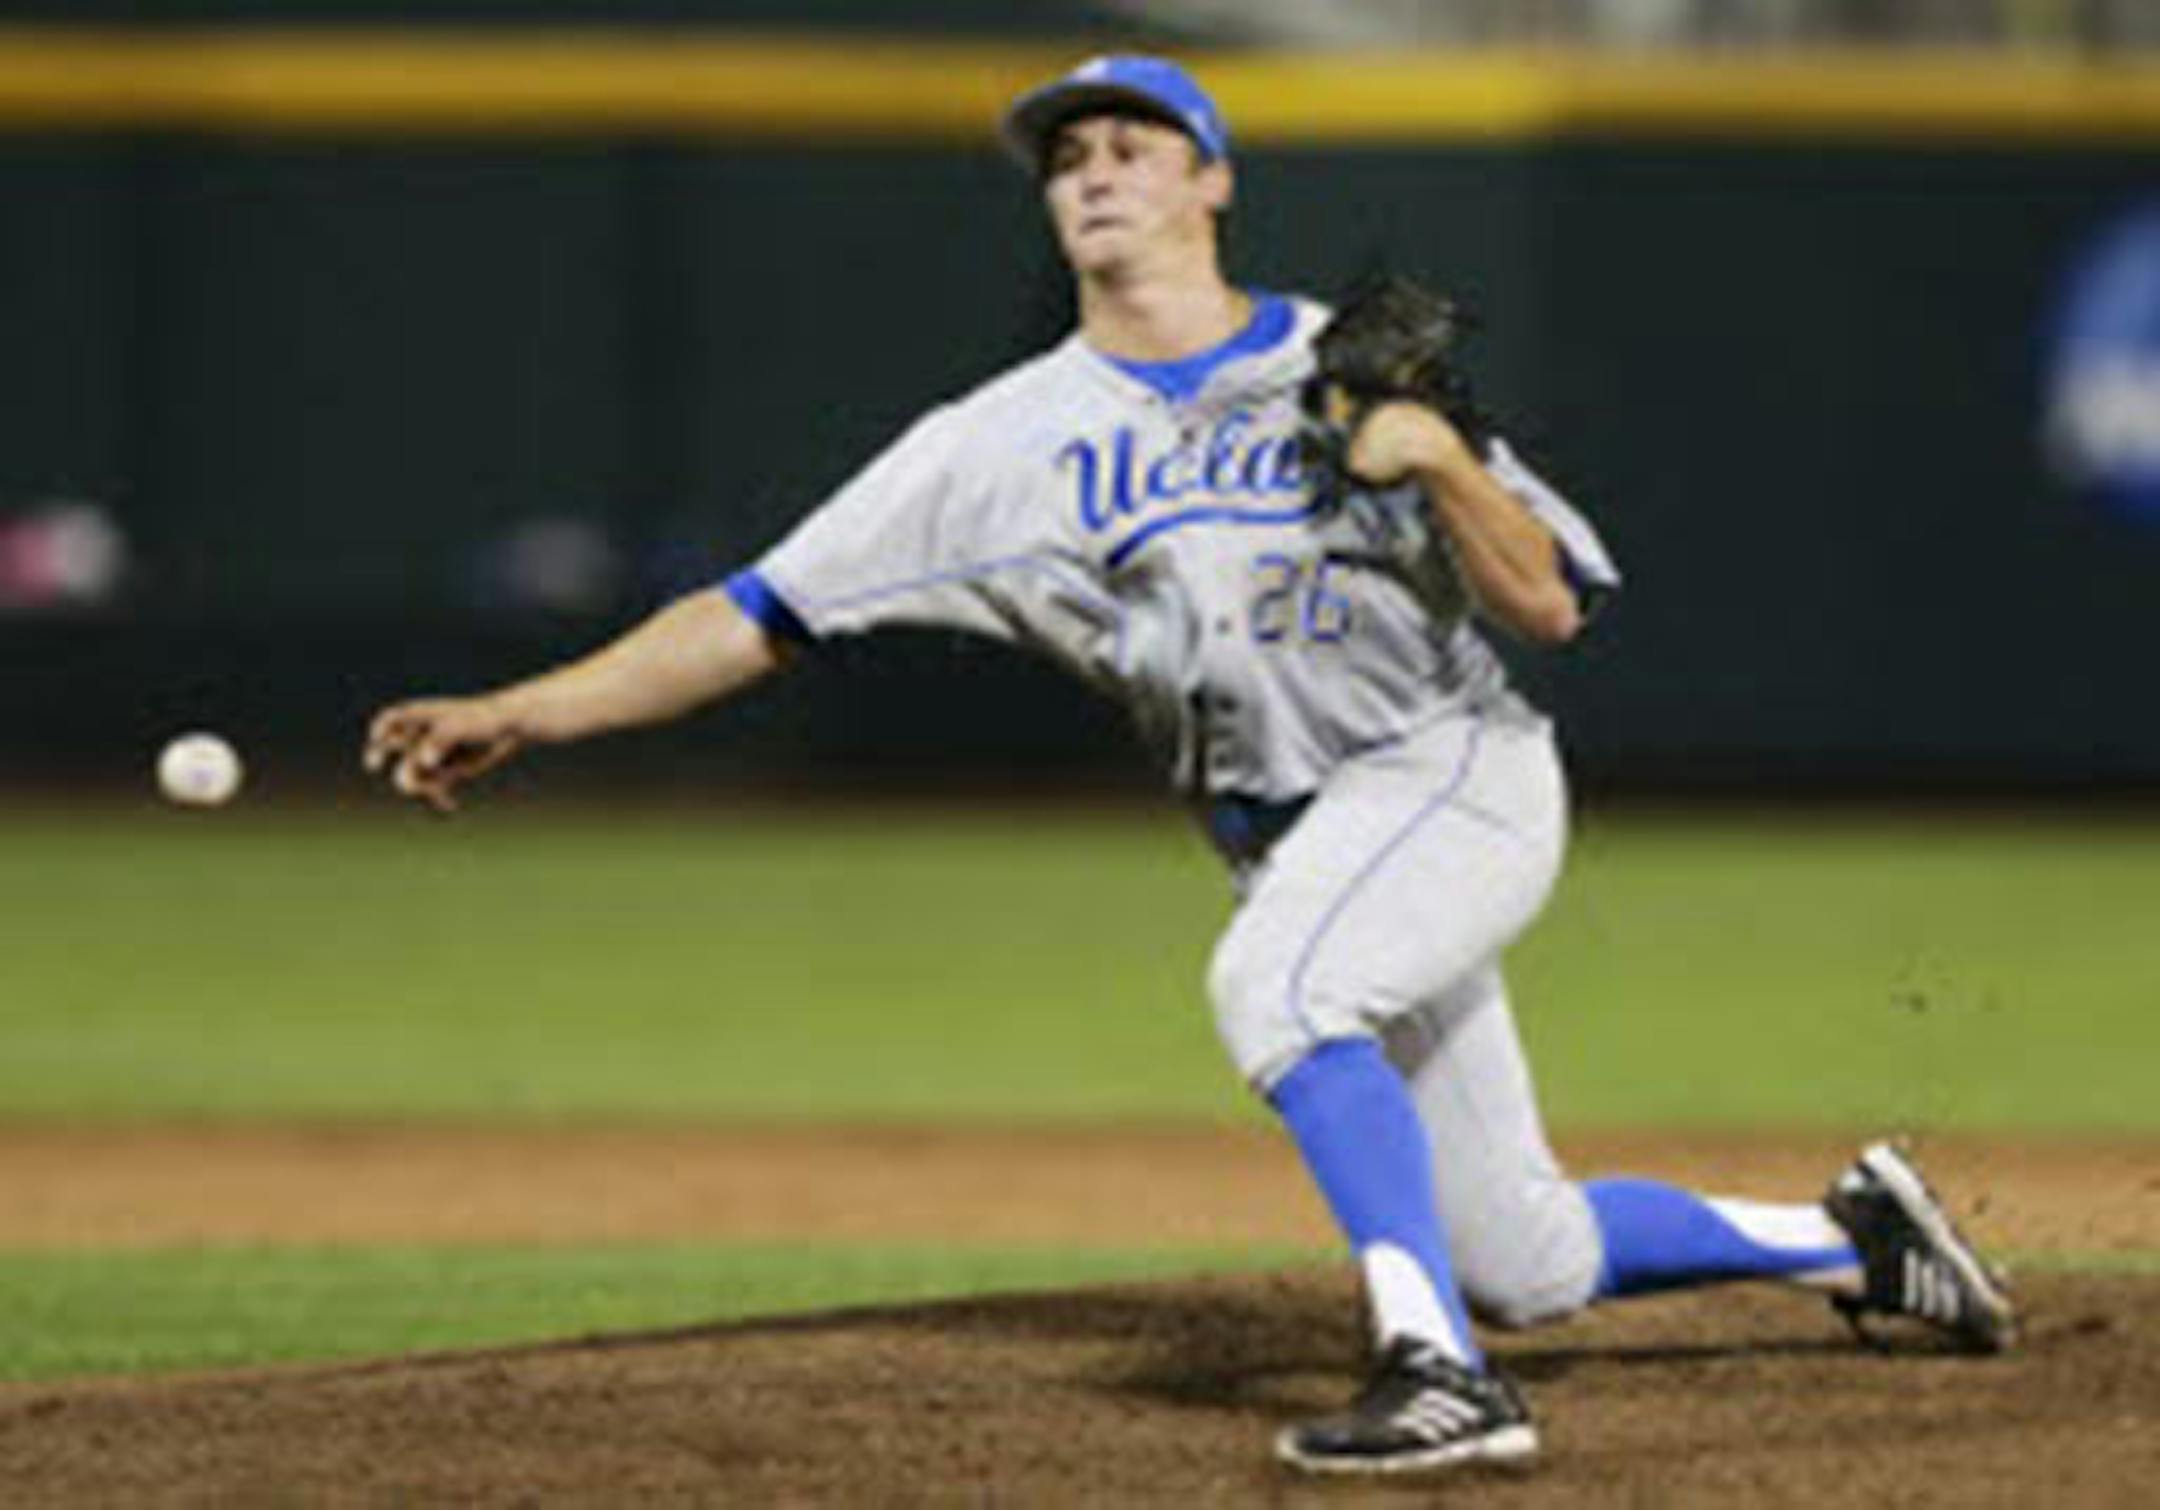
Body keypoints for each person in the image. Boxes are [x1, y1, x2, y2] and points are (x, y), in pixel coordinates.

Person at [364, 54, 2015, 1479]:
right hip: (1303, 840)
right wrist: (531, 706)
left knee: (1280, 993)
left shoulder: (1346, 367)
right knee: (1524, 1247)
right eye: (1066, 161)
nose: (1092, 177)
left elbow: (1552, 603)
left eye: (1130, 149)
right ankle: (1857, 1235)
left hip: (1452, 777)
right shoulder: (991, 447)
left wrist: (1439, 452)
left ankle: (1438, 1380)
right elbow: (754, 614)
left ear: (1211, 182)